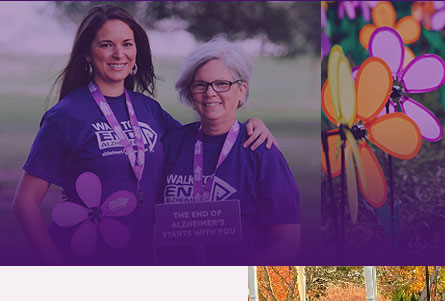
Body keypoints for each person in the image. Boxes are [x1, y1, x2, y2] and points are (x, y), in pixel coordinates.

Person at [12, 4, 276, 264]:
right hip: (80, 255)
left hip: (140, 258)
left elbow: (200, 138)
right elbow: (25, 202)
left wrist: (249, 124)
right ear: (87, 53)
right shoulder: (66, 116)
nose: (119, 54)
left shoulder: (149, 109)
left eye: (127, 44)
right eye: (106, 45)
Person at [158, 38, 301, 263]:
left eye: (222, 84)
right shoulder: (171, 144)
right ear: (190, 92)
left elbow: (288, 240)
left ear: (241, 90)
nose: (210, 93)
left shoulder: (260, 150)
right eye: (200, 85)